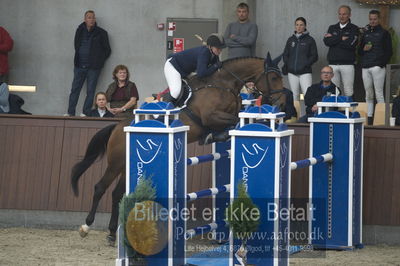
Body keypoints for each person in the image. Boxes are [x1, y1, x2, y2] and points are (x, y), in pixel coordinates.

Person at [65, 10, 111, 117]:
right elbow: (76, 45)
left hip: (93, 68)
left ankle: (85, 112)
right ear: (85, 20)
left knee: (90, 91)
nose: (91, 19)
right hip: (79, 65)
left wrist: (99, 61)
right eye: (89, 17)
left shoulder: (101, 33)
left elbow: (107, 50)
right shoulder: (79, 30)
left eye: (93, 17)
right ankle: (70, 112)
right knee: (74, 90)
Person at [164, 34, 225, 106]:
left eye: (221, 48)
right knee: (175, 92)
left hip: (185, 70)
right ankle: (163, 110)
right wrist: (215, 66)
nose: (220, 50)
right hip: (173, 66)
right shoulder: (204, 53)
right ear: (210, 47)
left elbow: (215, 70)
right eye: (218, 48)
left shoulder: (214, 55)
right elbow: (201, 73)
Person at [359, 10, 392, 125]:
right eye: (371, 19)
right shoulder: (365, 33)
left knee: (379, 93)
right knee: (368, 94)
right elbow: (359, 51)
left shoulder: (384, 33)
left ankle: (381, 118)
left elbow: (389, 51)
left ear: (379, 19)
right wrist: (364, 49)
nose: (372, 21)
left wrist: (381, 64)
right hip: (365, 66)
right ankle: (369, 118)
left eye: (374, 19)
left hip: (377, 67)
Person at [323, 5, 359, 97]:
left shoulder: (354, 28)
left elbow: (351, 44)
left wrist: (334, 39)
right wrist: (341, 38)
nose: (341, 16)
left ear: (349, 15)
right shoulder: (332, 27)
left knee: (349, 91)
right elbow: (327, 42)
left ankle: (350, 111)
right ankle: (336, 111)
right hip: (333, 64)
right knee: (334, 92)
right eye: (340, 14)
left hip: (348, 65)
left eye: (344, 14)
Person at [283, 17, 318, 101]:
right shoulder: (290, 40)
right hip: (292, 73)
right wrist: (289, 65)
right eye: (297, 25)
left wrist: (305, 65)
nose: (298, 27)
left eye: (301, 25)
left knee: (307, 94)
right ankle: (295, 114)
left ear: (305, 26)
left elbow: (314, 56)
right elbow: (285, 54)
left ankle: (308, 114)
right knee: (295, 95)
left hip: (305, 72)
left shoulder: (310, 40)